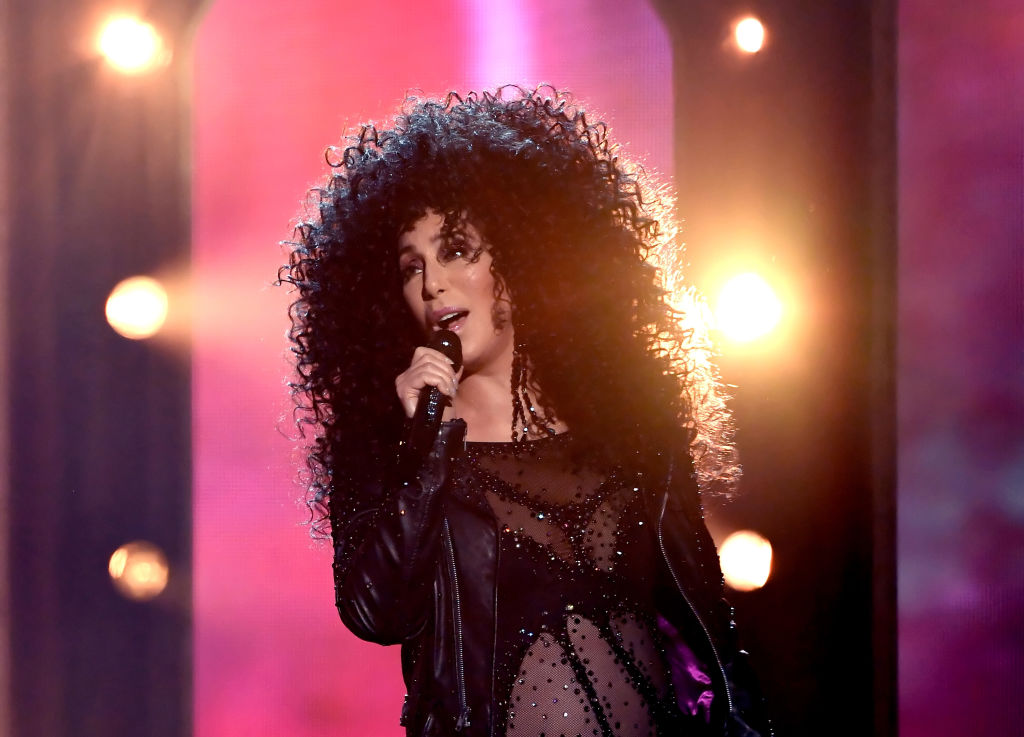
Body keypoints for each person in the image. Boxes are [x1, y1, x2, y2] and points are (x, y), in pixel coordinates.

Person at [281, 86, 769, 737]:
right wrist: (424, 448)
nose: (431, 284)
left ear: (525, 250)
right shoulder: (395, 446)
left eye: (457, 249)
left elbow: (705, 630)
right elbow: (377, 612)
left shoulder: (635, 431)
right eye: (410, 266)